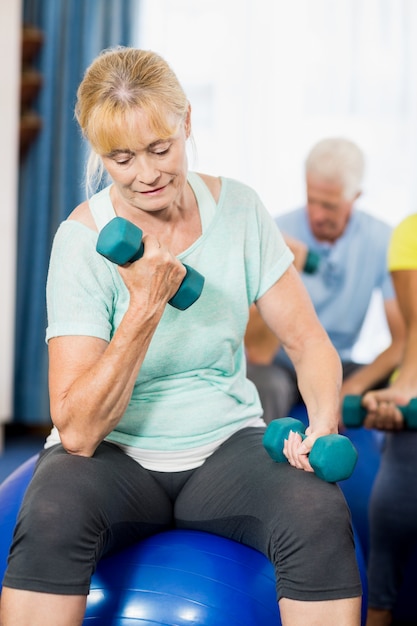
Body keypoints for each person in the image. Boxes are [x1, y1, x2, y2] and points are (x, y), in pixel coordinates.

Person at [0, 48, 362, 626]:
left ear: (186, 122)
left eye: (160, 149)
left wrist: (321, 423)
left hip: (225, 444)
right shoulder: (81, 240)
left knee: (318, 510)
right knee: (51, 511)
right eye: (120, 158)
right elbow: (79, 431)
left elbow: (309, 342)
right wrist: (144, 306)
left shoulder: (239, 209)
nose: (146, 174)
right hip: (113, 454)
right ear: (99, 155)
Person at [246, 137, 405, 423]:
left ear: (354, 197)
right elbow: (257, 351)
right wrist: (284, 269)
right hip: (281, 364)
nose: (318, 215)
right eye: (312, 201)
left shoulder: (382, 240)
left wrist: (351, 388)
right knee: (260, 385)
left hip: (339, 364)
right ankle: (255, 464)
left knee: (397, 386)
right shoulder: (275, 231)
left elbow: (403, 339)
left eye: (330, 206)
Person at [358, 214, 417, 626]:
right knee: (390, 504)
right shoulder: (410, 232)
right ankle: (379, 613)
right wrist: (407, 389)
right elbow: (415, 330)